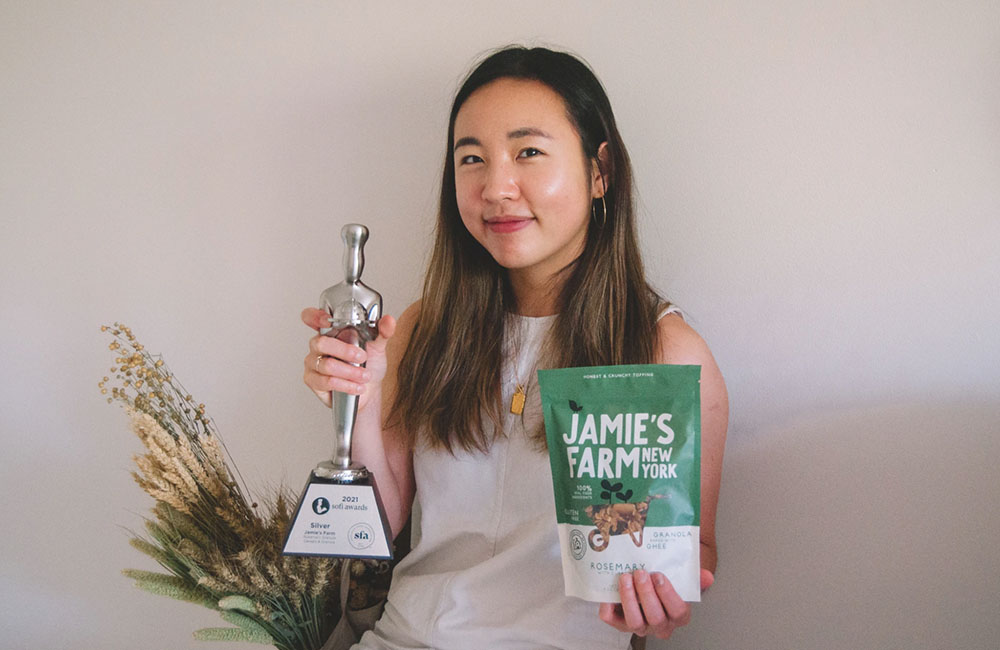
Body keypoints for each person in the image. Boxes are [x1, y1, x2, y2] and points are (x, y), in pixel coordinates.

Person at [302, 46, 728, 650]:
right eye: (471, 158)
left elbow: (692, 552)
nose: (496, 187)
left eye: (528, 152)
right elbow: (379, 525)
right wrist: (360, 399)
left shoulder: (664, 351)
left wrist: (661, 601)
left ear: (599, 169)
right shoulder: (427, 326)